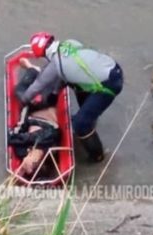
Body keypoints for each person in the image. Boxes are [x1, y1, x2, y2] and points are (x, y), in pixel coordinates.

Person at [19, 32, 124, 162]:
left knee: (80, 124)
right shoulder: (69, 44)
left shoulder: (55, 65)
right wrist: (54, 93)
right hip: (112, 68)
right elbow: (66, 74)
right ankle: (89, 118)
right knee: (75, 85)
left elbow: (38, 85)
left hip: (108, 86)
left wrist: (23, 100)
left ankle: (97, 156)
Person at [8, 58, 60, 177]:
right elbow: (47, 134)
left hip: (30, 112)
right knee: (46, 91)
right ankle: (43, 72)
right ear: (41, 162)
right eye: (34, 162)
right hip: (47, 108)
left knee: (19, 91)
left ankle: (32, 69)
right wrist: (25, 138)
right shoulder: (52, 149)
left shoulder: (22, 151)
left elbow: (15, 133)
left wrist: (25, 106)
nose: (30, 158)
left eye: (28, 160)